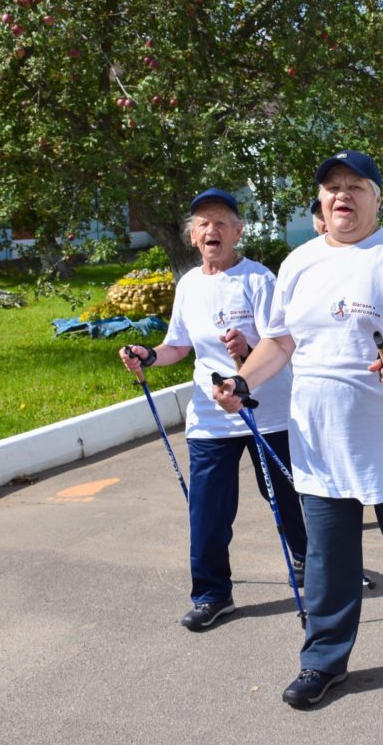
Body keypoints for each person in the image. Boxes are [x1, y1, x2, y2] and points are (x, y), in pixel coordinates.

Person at [213, 149, 383, 708]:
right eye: (332, 187)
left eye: (356, 185)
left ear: (377, 198)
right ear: (321, 203)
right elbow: (279, 342)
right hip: (320, 438)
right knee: (328, 554)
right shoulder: (300, 262)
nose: (343, 194)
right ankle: (323, 660)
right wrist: (243, 383)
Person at [119, 187, 305, 632]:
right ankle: (211, 594)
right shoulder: (189, 284)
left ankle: (308, 562)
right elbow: (178, 346)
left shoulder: (259, 279)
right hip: (209, 415)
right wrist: (148, 354)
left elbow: (282, 344)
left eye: (221, 221)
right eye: (203, 223)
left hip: (267, 408)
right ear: (192, 235)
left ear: (238, 231)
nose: (211, 230)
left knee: (286, 498)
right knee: (207, 510)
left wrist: (249, 346)